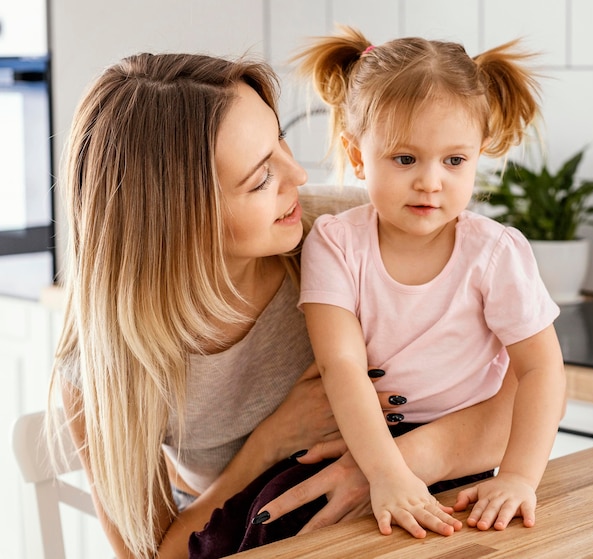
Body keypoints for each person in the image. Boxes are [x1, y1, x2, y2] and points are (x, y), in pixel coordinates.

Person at [47, 51, 519, 559]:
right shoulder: (103, 363)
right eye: (260, 178)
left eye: (281, 143)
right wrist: (270, 442)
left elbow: (526, 392)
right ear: (177, 221)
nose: (298, 175)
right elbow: (151, 553)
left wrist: (382, 470)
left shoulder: (347, 234)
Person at [286, 26, 566, 540]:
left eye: (454, 160)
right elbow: (340, 364)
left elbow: (542, 368)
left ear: (478, 155)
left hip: (464, 453)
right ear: (356, 156)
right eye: (405, 158)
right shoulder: (335, 242)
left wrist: (520, 477)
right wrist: (387, 472)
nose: (430, 181)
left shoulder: (496, 252)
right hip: (365, 439)